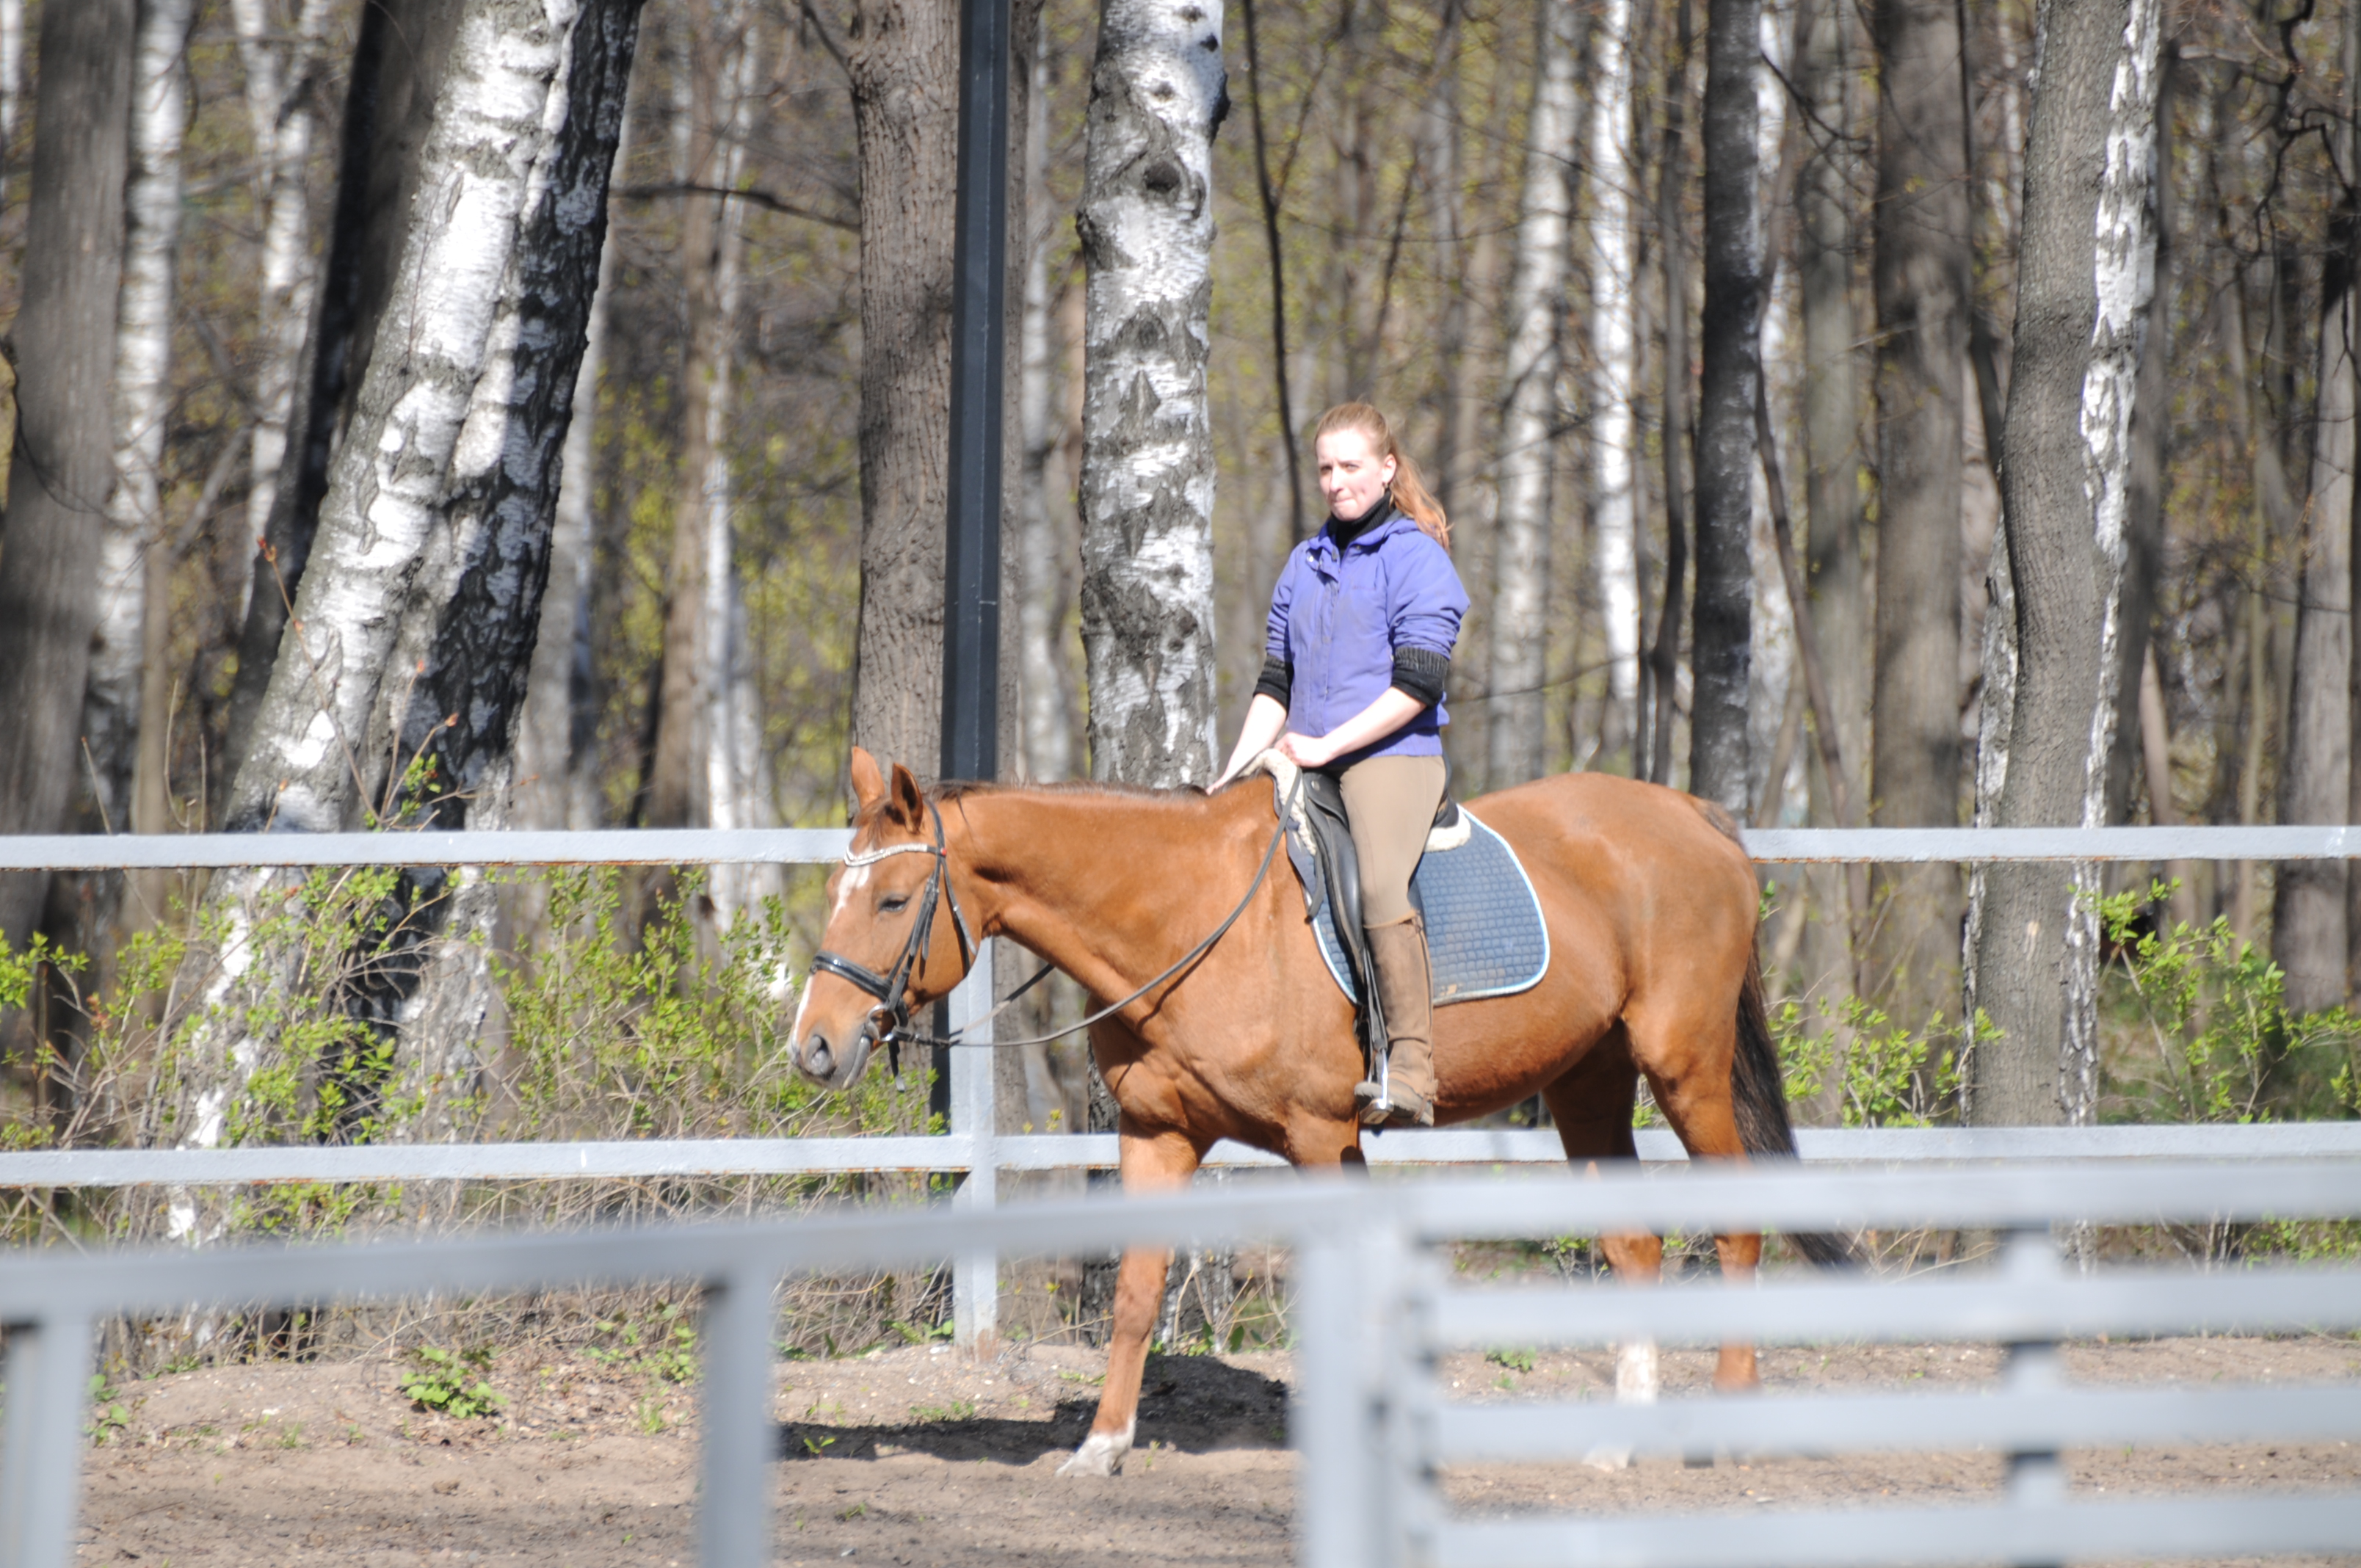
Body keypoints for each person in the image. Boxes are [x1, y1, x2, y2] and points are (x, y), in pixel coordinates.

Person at [1212, 402, 1469, 1127]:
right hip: (1304, 754)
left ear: (1387, 469)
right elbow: (1275, 684)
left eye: (1350, 465)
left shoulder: (1418, 557)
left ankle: (1411, 1068)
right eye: (1325, 468)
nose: (1335, 481)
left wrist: (1327, 746)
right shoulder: (1305, 561)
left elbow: (1420, 682)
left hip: (1390, 758)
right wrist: (1233, 769)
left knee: (1382, 884)